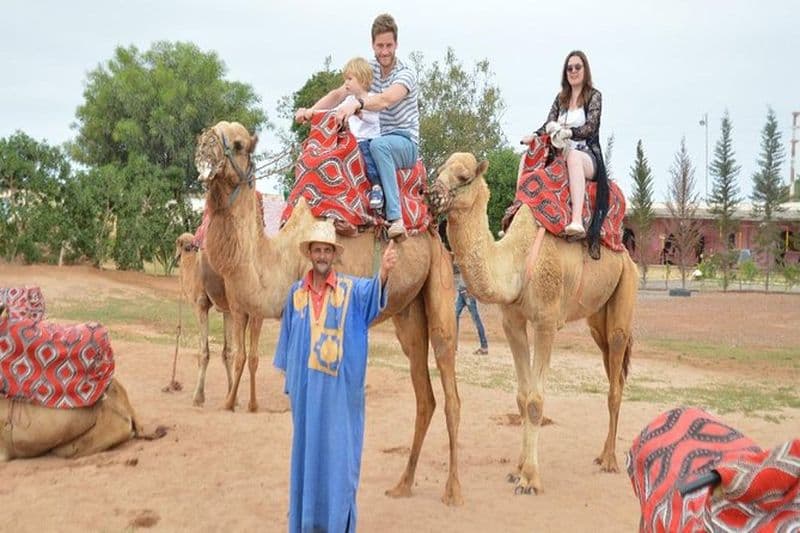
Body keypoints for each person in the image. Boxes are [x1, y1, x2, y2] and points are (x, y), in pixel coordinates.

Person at [273, 219, 398, 533]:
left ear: (333, 255)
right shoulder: (294, 296)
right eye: (317, 249)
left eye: (327, 250)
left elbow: (373, 295)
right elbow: (287, 347)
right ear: (310, 254)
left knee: (340, 463)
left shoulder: (350, 291)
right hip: (306, 400)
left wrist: (383, 272)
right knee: (306, 460)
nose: (322, 255)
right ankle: (306, 524)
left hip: (340, 400)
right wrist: (295, 391)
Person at [295, 13, 420, 240]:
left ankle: (395, 218)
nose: (384, 51)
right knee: (336, 151)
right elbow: (339, 93)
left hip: (402, 141)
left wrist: (357, 104)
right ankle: (338, 211)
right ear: (372, 45)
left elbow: (385, 100)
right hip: (371, 139)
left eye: (389, 45)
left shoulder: (406, 74)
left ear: (396, 45)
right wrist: (310, 112)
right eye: (380, 45)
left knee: (378, 146)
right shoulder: (367, 71)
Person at [521, 50, 609, 259]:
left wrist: (569, 132)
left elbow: (591, 127)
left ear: (585, 69)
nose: (573, 71)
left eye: (577, 67)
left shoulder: (594, 97)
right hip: (560, 152)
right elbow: (547, 123)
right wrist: (534, 135)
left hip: (586, 154)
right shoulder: (561, 99)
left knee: (573, 157)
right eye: (569, 68)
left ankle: (577, 219)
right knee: (527, 156)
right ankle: (517, 212)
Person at [297, 57, 381, 184]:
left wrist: (360, 113)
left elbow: (375, 119)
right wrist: (311, 113)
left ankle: (376, 186)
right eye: (345, 79)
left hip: (367, 139)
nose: (346, 83)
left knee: (367, 159)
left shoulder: (372, 99)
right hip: (351, 141)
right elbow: (332, 112)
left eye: (349, 79)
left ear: (363, 79)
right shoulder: (348, 101)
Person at [454, 259, 488, 355]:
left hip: (467, 293)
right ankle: (453, 346)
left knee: (476, 319)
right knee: (454, 315)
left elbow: (475, 277)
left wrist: (471, 290)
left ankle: (484, 346)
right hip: (461, 291)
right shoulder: (463, 258)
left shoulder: (470, 261)